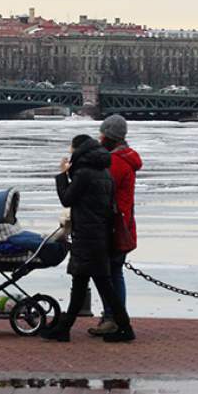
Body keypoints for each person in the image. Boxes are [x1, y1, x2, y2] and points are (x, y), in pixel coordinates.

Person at [42, 134, 134, 343]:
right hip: (100, 234)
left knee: (100, 284)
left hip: (87, 235)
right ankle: (64, 329)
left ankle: (125, 328)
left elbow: (67, 199)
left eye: (71, 149)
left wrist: (62, 175)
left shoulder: (84, 174)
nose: (70, 153)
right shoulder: (104, 172)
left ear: (79, 150)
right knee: (85, 282)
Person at [88, 115, 142, 337]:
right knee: (114, 272)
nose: (99, 137)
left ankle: (113, 317)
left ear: (109, 136)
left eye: (102, 134)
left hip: (112, 226)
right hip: (123, 224)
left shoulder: (115, 162)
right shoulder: (124, 159)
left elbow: (99, 190)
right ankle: (113, 316)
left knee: (108, 273)